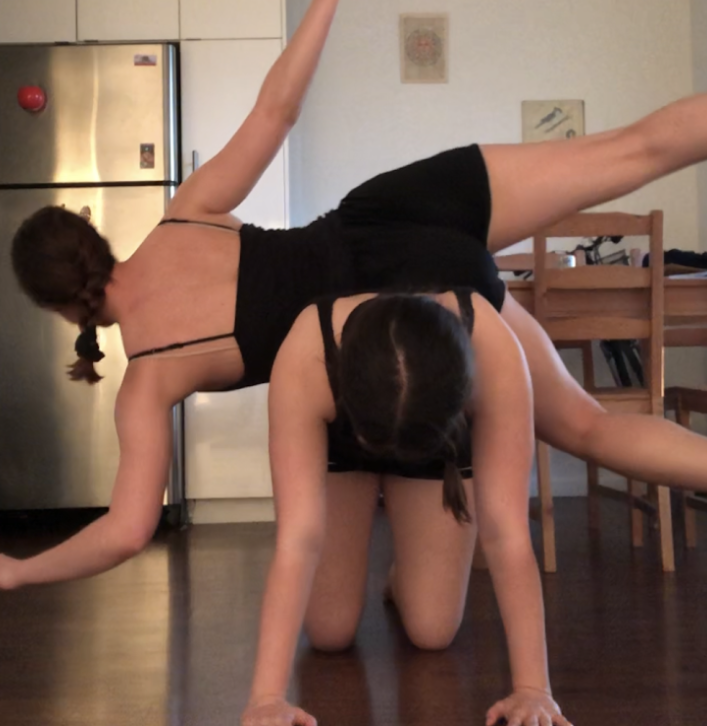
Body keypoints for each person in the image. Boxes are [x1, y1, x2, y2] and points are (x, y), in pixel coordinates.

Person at [0, 0, 707, 720]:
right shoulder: (184, 215)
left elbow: (129, 530)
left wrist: (21, 567)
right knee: (639, 152)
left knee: (372, 596)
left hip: (351, 347)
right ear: (95, 236)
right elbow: (276, 110)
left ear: (65, 307)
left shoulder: (149, 375)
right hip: (412, 223)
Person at [243, 288, 569, 726]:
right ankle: (404, 555)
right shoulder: (308, 353)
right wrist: (266, 697)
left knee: (432, 631)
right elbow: (297, 538)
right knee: (328, 631)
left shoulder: (493, 348)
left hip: (437, 445)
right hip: (346, 445)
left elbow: (506, 532)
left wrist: (534, 689)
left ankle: (405, 574)